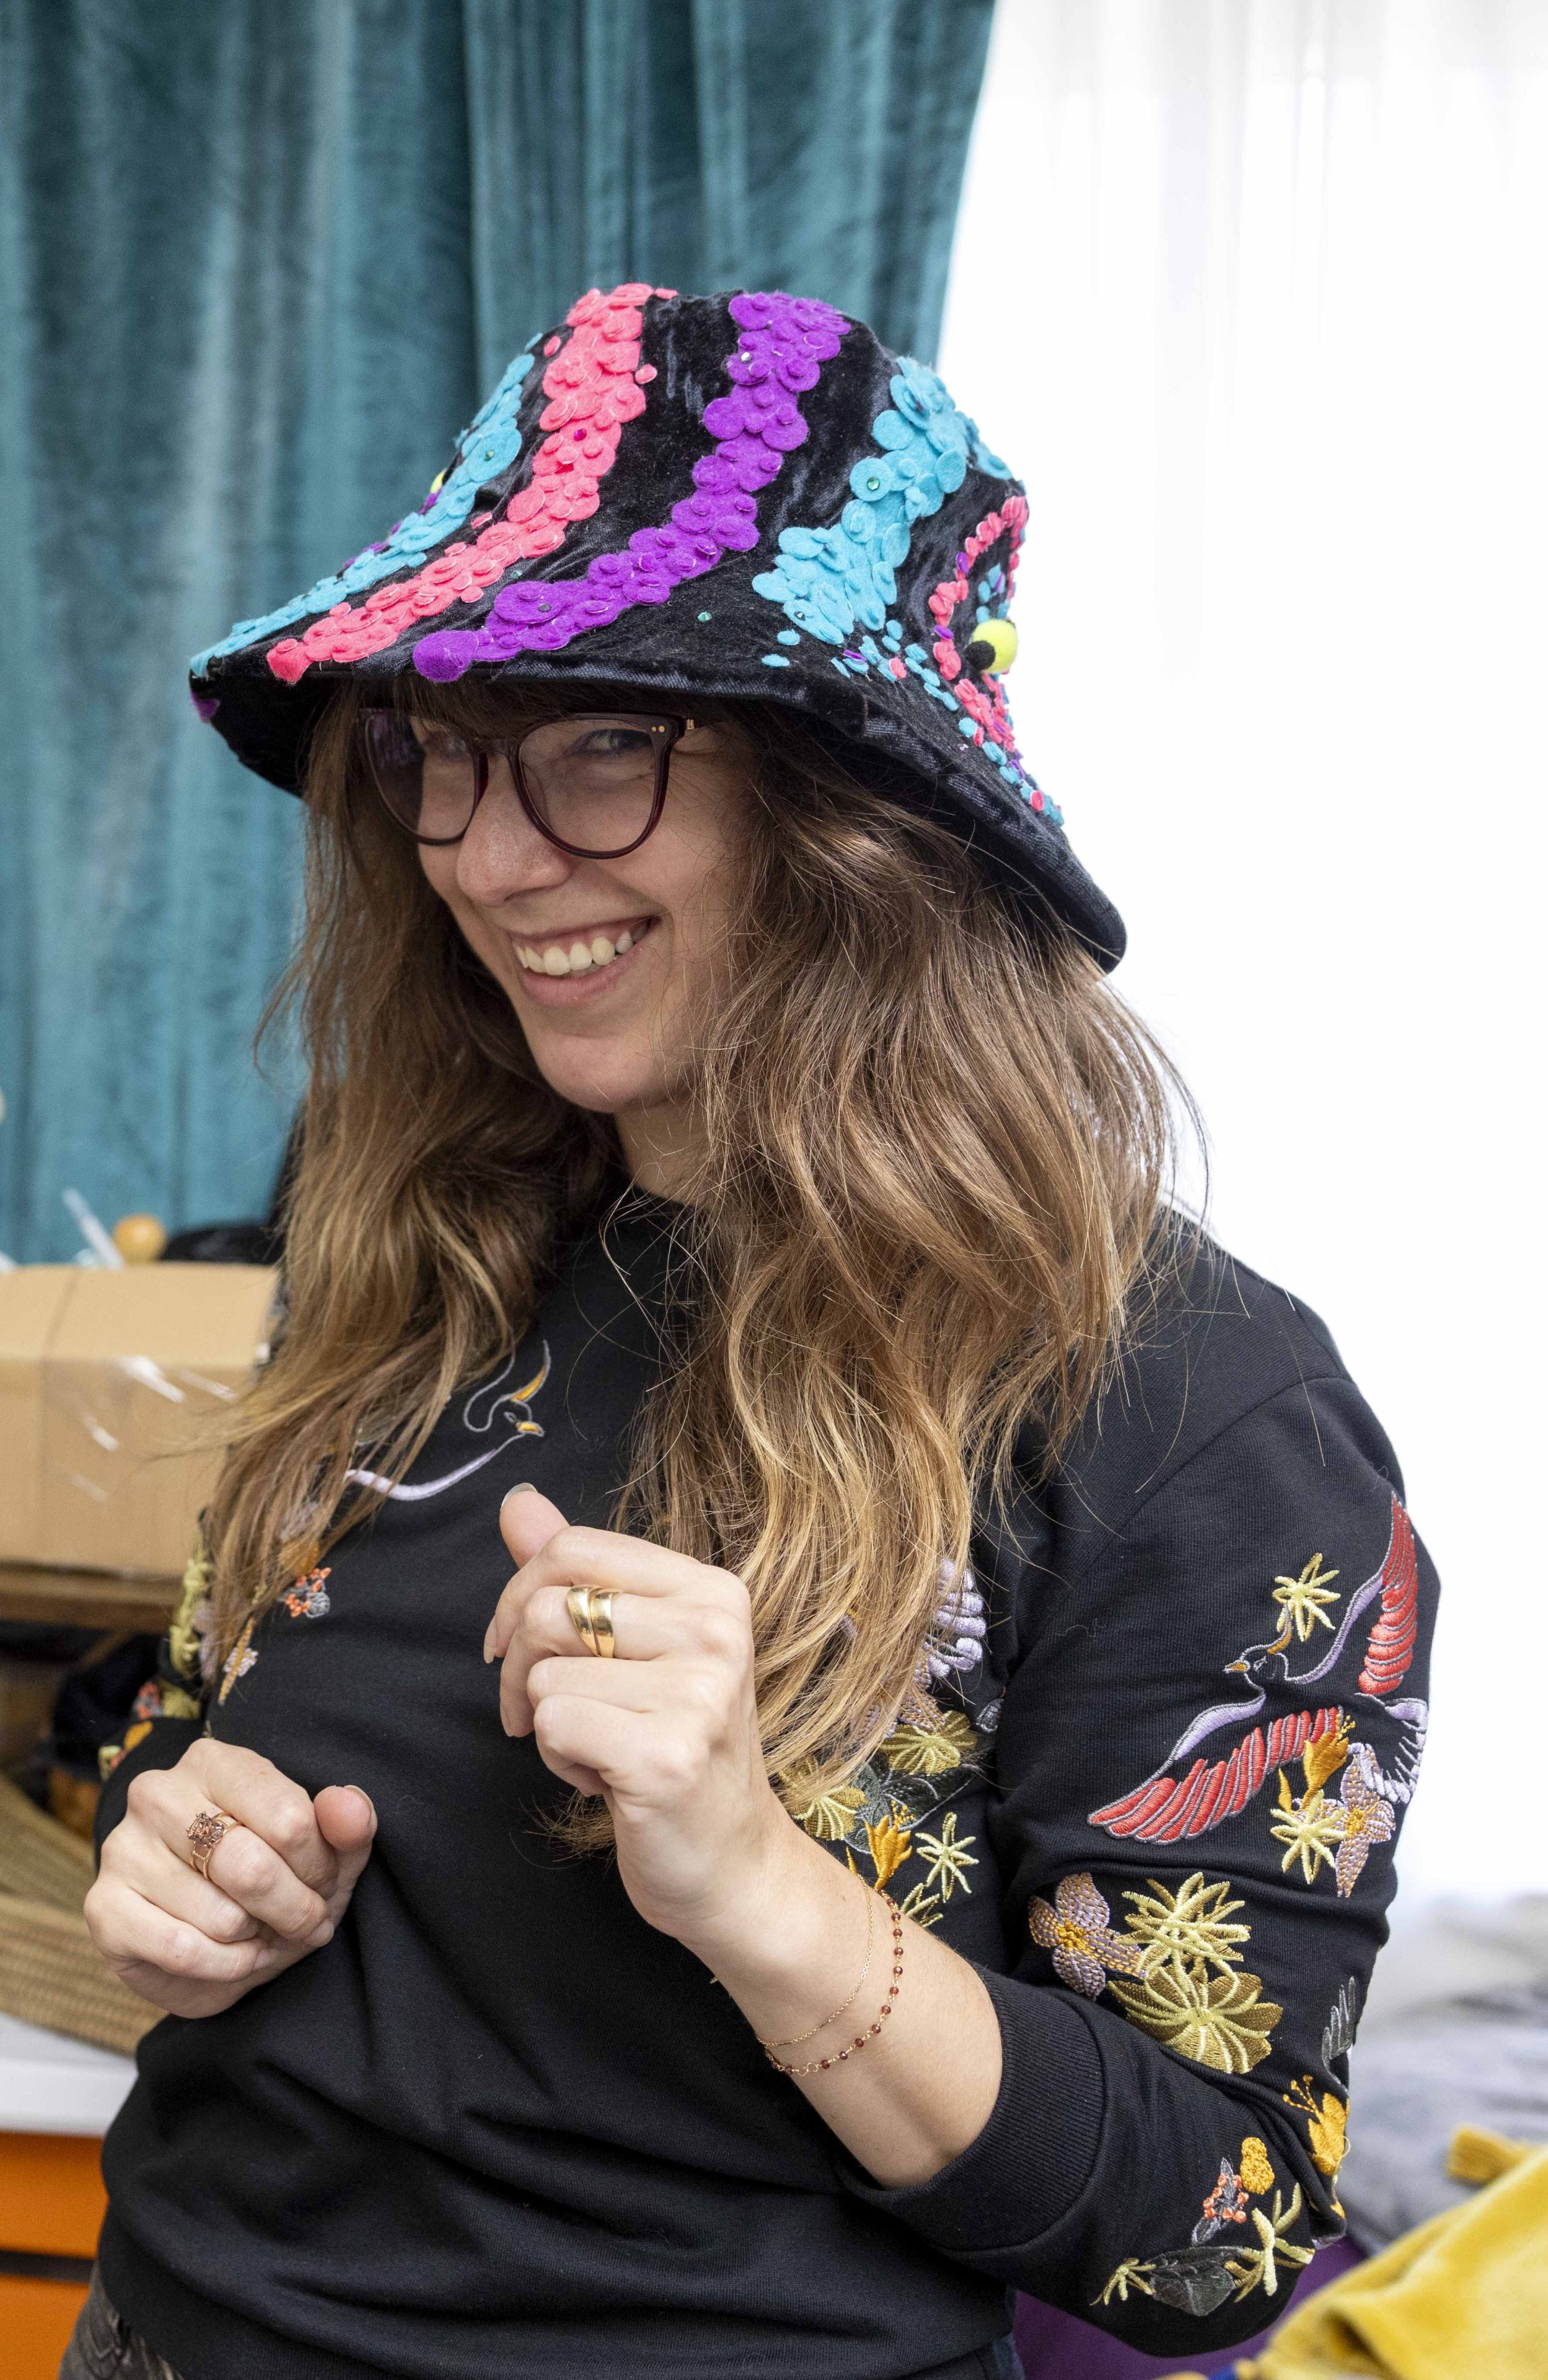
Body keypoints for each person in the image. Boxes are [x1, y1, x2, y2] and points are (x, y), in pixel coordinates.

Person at [71, 286, 1433, 2380]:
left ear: (860, 805)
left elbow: (1218, 2225)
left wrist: (755, 1880)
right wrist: (181, 1843)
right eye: (439, 755)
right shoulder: (420, 1244)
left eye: (605, 743)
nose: (492, 854)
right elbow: (193, 1713)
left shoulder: (1185, 1400)